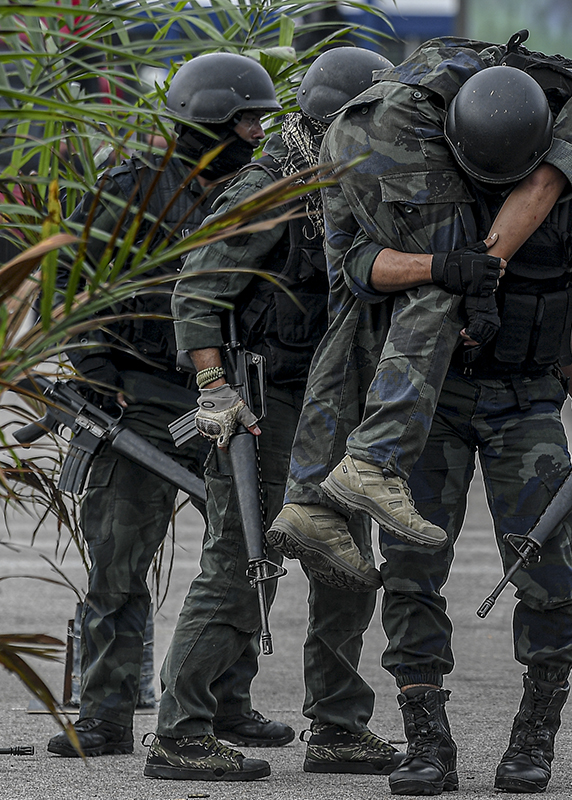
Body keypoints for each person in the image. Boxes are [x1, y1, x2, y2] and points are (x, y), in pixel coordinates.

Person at [259, 36, 572, 795]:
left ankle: (534, 734)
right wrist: (440, 266)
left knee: (552, 572)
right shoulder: (413, 174)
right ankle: (426, 739)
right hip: (433, 404)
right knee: (413, 573)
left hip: (525, 401)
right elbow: (354, 268)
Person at [141, 47, 400, 782]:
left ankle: (340, 729)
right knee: (239, 562)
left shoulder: (356, 183)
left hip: (339, 398)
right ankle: (180, 733)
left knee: (346, 562)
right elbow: (197, 290)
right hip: (266, 401)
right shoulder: (277, 183)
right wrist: (214, 387)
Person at [46, 52, 287, 759]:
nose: (256, 130)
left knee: (246, 554)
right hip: (141, 401)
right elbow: (74, 274)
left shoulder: (260, 192)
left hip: (228, 401)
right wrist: (92, 368)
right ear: (209, 119)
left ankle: (223, 703)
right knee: (118, 563)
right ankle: (104, 716)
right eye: (245, 119)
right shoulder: (132, 188)